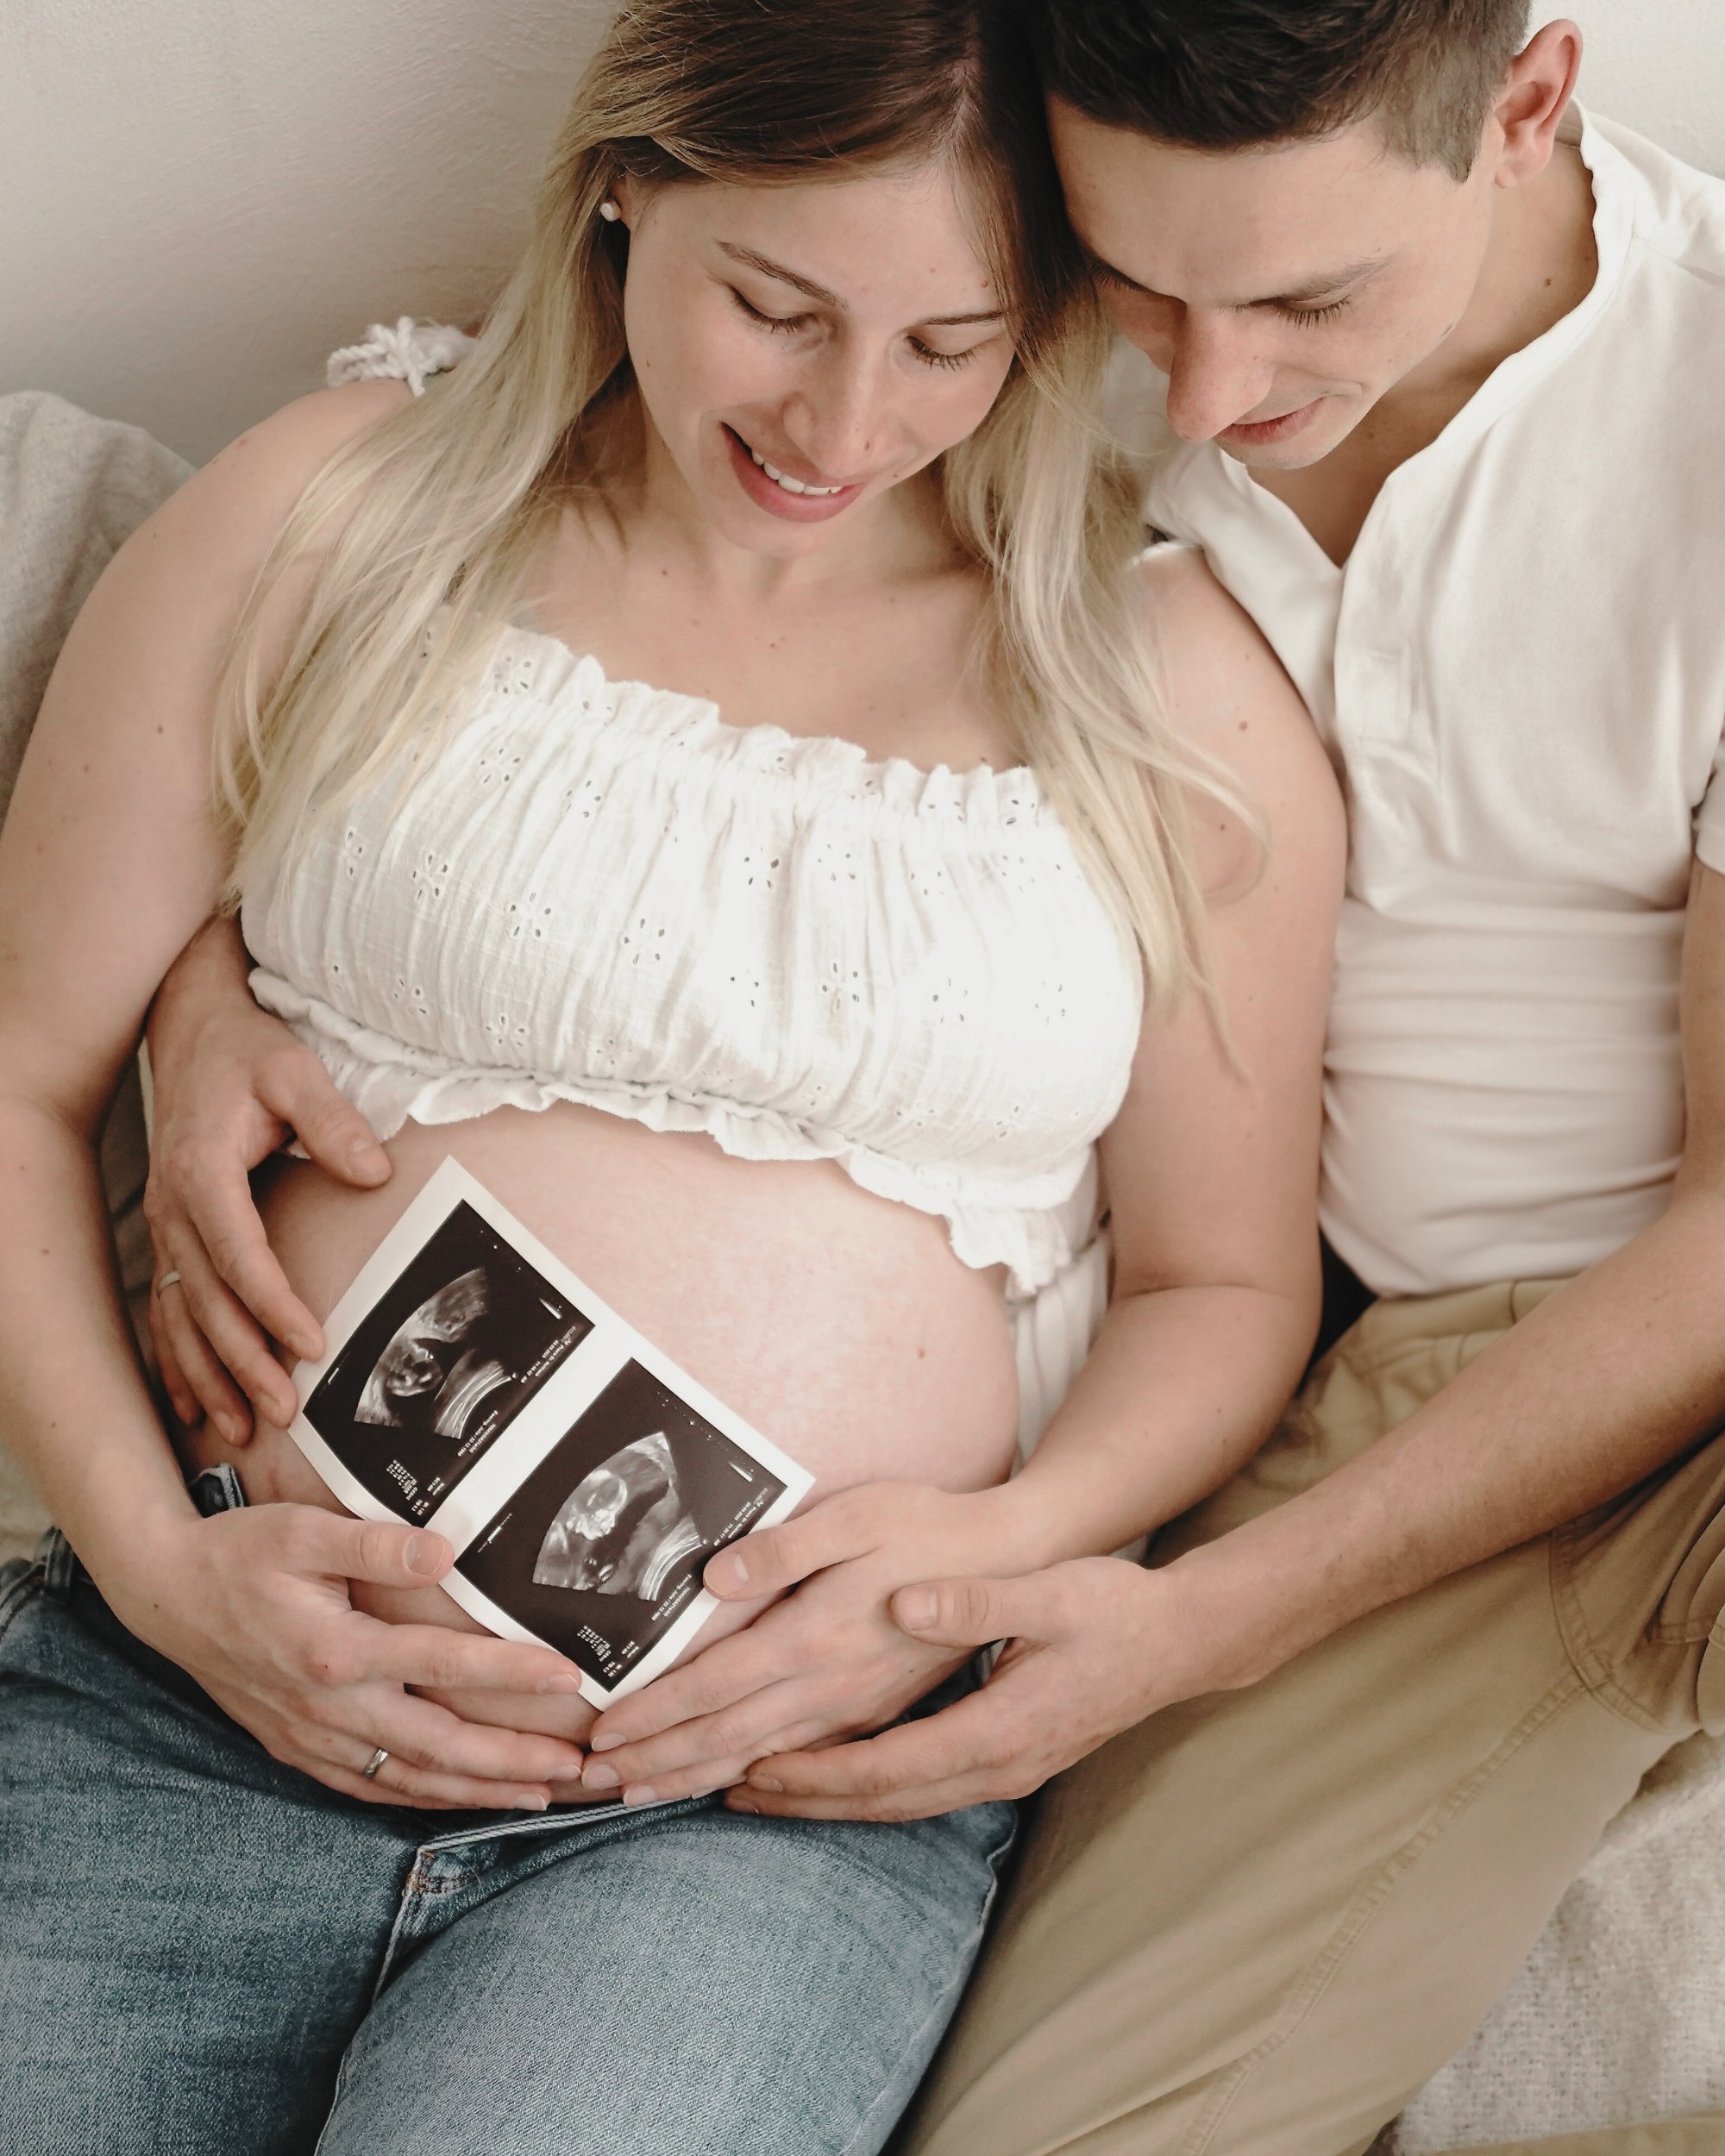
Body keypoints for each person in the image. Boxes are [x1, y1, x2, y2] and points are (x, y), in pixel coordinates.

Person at [0, 0, 1341, 2149]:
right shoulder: (339, 509)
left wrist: (969, 1560)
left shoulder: (1164, 686)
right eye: (777, 306)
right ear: (627, 190)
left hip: (745, 1816)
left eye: (950, 340)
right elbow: (13, 1072)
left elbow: (1223, 1289)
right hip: (188, 1711)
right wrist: (165, 1575)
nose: (841, 416)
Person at [579, 5, 1725, 2152]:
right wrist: (212, 992)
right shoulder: (981, 289)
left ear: (1528, 102)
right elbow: (542, 592)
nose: (1206, 397)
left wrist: (1191, 1627)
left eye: (1309, 299)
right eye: (1141, 288)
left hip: (1608, 1359)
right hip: (1241, 1320)